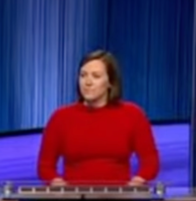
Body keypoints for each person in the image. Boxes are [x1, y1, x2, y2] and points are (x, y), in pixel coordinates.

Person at [36, 49, 159, 186]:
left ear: (110, 82)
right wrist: (58, 184)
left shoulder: (133, 115)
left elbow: (150, 161)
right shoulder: (61, 117)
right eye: (83, 75)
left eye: (96, 76)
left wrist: (136, 183)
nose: (87, 82)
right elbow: (45, 166)